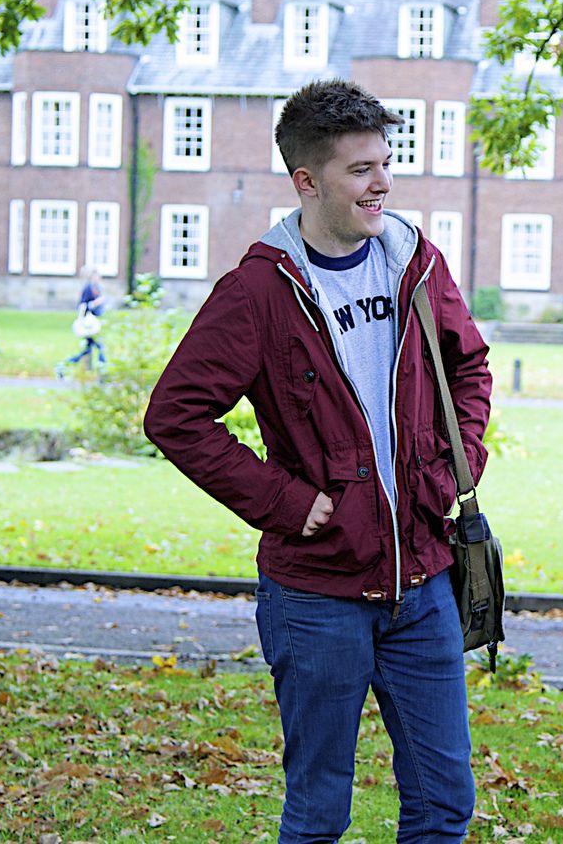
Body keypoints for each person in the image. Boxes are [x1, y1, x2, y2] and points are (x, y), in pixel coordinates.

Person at [144, 78, 491, 844]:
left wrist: (456, 465)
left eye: (386, 163)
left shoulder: (414, 261)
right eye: (360, 169)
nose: (382, 183)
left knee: (444, 804)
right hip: (316, 596)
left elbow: (468, 366)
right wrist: (283, 501)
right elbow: (175, 416)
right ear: (307, 181)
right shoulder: (260, 290)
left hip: (424, 584)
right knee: (317, 813)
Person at [57, 266, 108, 378]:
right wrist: (96, 303)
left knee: (87, 351)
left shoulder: (96, 288)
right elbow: (83, 306)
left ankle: (63, 366)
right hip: (89, 326)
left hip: (93, 324)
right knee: (100, 347)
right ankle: (103, 373)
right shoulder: (88, 289)